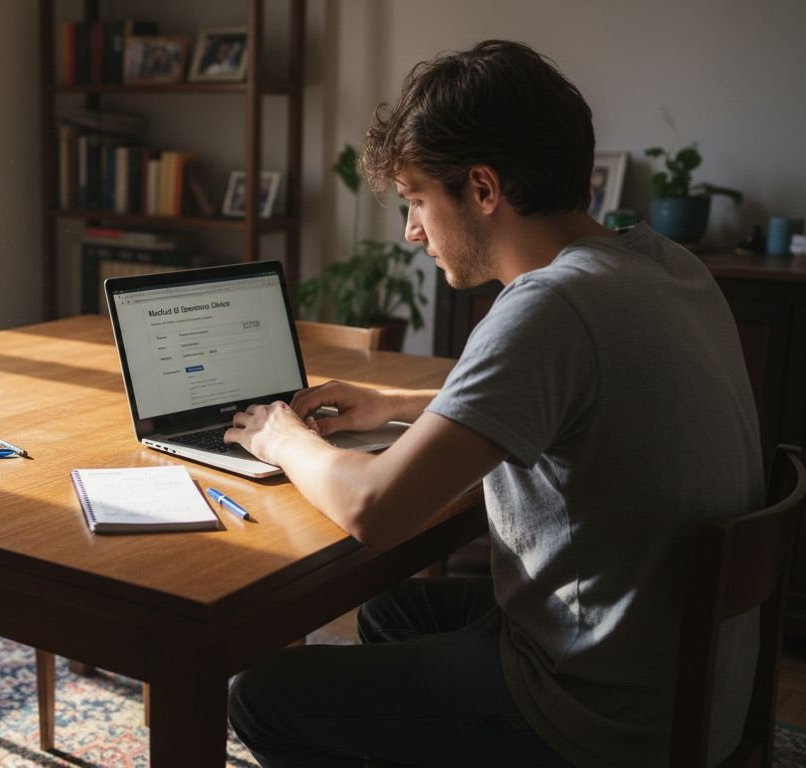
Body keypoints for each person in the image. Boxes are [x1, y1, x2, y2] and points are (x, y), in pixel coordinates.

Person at [225, 40, 762, 766]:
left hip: (598, 713)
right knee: (394, 611)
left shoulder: (549, 305)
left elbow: (374, 510)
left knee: (262, 695)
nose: (412, 232)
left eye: (416, 200)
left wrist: (283, 437)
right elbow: (568, 396)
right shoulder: (662, 264)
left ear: (482, 189)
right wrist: (395, 401)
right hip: (680, 671)